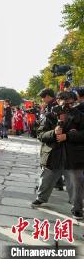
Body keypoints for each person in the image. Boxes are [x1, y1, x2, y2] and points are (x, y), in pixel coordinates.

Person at [32, 91, 84, 219]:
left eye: (70, 101)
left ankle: (77, 208)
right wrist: (54, 133)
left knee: (76, 182)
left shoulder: (80, 116)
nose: (66, 104)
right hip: (53, 154)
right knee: (46, 178)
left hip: (73, 156)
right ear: (58, 100)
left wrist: (68, 136)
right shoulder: (50, 116)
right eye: (63, 100)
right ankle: (41, 198)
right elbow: (41, 135)